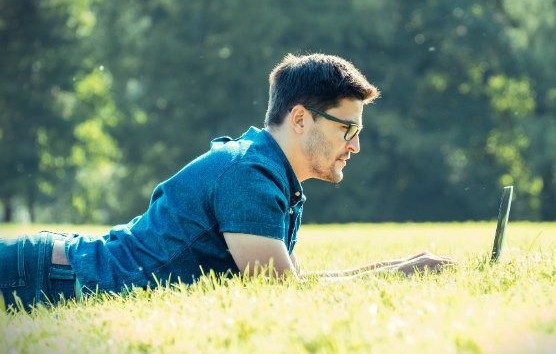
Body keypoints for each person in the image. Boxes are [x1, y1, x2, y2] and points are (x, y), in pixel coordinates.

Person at [0, 53, 454, 312]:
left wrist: (399, 265)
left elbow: (287, 279)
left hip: (57, 267)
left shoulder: (267, 170)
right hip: (51, 277)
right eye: (347, 129)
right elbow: (281, 295)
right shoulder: (250, 175)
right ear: (300, 119)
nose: (355, 145)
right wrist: (398, 275)